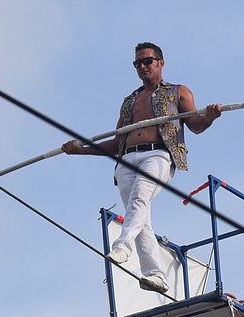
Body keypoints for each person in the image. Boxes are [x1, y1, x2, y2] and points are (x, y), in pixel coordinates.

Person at [62, 42, 222, 293]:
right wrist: (80, 151)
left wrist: (210, 117)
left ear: (161, 63)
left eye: (147, 61)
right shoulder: (130, 101)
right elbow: (117, 142)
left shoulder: (178, 92)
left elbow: (195, 125)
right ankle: (155, 274)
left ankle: (122, 246)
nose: (143, 67)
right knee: (141, 218)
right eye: (138, 63)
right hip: (126, 160)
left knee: (139, 200)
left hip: (158, 155)